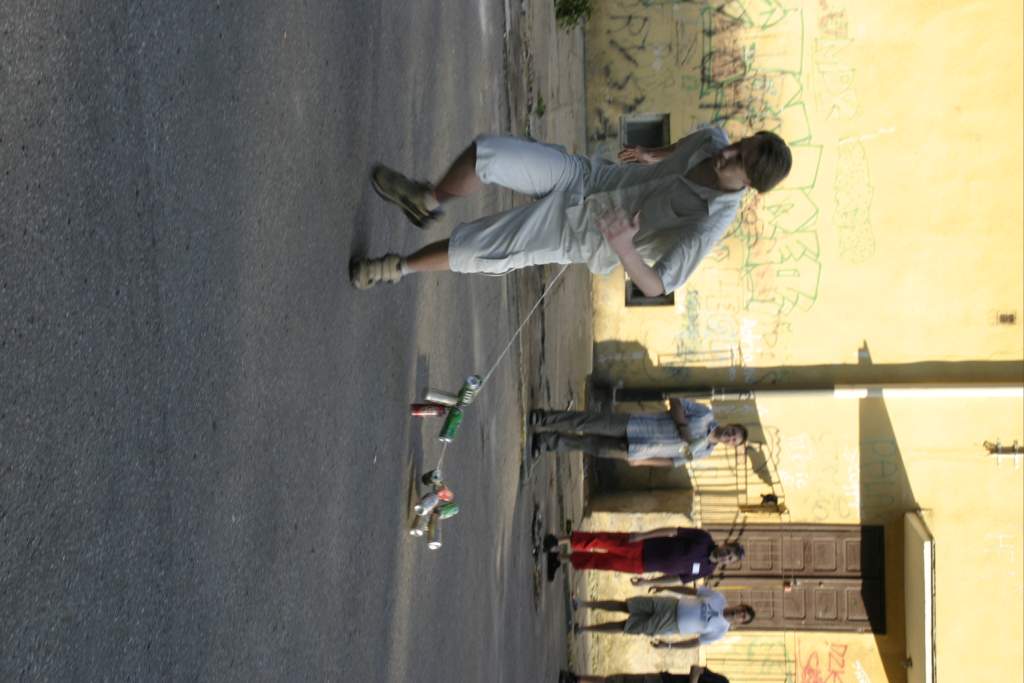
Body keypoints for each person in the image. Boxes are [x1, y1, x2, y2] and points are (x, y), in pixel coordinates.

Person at [350, 128, 792, 291]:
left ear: (749, 185)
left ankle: (395, 268)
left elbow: (658, 284)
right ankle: (426, 201)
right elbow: (684, 145)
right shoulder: (713, 140)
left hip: (582, 233)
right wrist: (651, 154)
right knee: (490, 152)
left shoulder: (708, 223)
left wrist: (625, 249)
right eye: (739, 143)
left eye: (739, 160)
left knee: (478, 249)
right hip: (588, 177)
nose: (727, 153)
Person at [529, 400, 747, 468]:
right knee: (587, 422)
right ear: (731, 425)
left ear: (730, 446)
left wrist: (643, 461)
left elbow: (673, 461)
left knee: (590, 445)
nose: (730, 436)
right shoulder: (705, 415)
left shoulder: (704, 452)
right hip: (635, 424)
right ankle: (543, 418)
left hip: (639, 450)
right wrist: (683, 427)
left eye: (733, 440)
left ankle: (546, 441)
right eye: (733, 432)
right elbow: (676, 402)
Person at [543, 526, 743, 583]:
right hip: (643, 546)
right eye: (728, 551)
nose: (725, 556)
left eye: (729, 559)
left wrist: (650, 582)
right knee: (602, 541)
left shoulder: (708, 570)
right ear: (725, 544)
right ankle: (558, 541)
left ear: (728, 563)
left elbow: (678, 579)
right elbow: (672, 531)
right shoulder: (704, 538)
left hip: (643, 566)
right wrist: (642, 535)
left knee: (602, 562)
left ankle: (560, 558)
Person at [574, 586, 754, 648]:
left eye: (742, 617)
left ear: (739, 622)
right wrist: (666, 587)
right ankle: (583, 604)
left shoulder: (720, 631)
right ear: (739, 605)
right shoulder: (718, 598)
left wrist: (668, 645)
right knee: (625, 605)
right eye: (742, 610)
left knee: (625, 626)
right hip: (669, 604)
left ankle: (584, 629)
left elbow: (694, 643)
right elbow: (692, 591)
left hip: (670, 624)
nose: (739, 614)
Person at [558, 664, 730, 683]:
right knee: (617, 680)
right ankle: (575, 679)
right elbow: (696, 669)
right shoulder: (722, 681)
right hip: (661, 681)